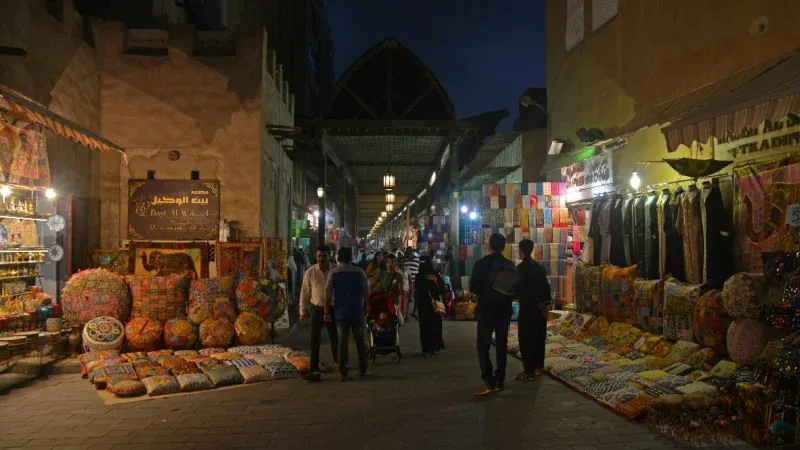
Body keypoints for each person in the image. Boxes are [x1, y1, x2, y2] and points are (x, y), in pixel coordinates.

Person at [469, 233, 516, 396]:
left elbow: (473, 287)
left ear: (489, 245)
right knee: (501, 345)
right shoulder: (509, 265)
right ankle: (499, 380)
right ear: (503, 247)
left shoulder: (481, 264)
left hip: (487, 309)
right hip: (503, 310)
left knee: (483, 345)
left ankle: (488, 380)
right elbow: (514, 290)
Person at [325, 247, 370, 382]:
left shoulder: (333, 273)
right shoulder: (360, 272)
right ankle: (363, 368)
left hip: (340, 313)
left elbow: (327, 295)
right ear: (351, 257)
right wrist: (365, 308)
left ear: (338, 258)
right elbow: (366, 292)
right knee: (360, 341)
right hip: (357, 311)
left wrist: (326, 312)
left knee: (342, 342)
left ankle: (343, 372)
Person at [299, 245, 339, 381]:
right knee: (314, 340)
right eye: (319, 256)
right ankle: (314, 369)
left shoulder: (335, 270)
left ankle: (338, 362)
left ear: (329, 256)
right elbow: (304, 292)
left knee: (335, 337)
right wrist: (302, 310)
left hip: (333, 309)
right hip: (316, 309)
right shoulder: (310, 272)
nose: (321, 259)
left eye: (324, 256)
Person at [515, 239, 552, 382]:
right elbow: (546, 287)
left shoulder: (520, 269)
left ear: (521, 250)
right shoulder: (539, 267)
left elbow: (518, 289)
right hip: (540, 308)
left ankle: (528, 371)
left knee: (526, 339)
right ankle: (538, 368)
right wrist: (546, 305)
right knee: (539, 338)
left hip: (527, 308)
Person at [415, 259, 446, 356]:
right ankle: (432, 348)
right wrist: (436, 281)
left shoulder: (421, 277)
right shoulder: (423, 277)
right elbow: (441, 290)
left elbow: (442, 290)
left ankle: (428, 349)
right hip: (429, 306)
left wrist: (436, 281)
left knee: (426, 328)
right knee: (432, 327)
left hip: (426, 307)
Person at [371, 254, 405, 324]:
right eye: (388, 262)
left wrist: (394, 292)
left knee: (400, 322)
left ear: (396, 263)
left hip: (394, 302)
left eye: (392, 262)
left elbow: (400, 290)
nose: (390, 264)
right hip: (382, 300)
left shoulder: (399, 276)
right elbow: (372, 283)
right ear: (386, 263)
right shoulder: (381, 274)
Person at [404, 248, 420, 318]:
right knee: (407, 299)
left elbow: (418, 269)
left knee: (417, 298)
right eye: (409, 251)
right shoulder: (404, 260)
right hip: (406, 282)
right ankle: (406, 314)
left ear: (413, 252)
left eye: (411, 251)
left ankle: (414, 312)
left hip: (416, 282)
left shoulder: (417, 259)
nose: (410, 252)